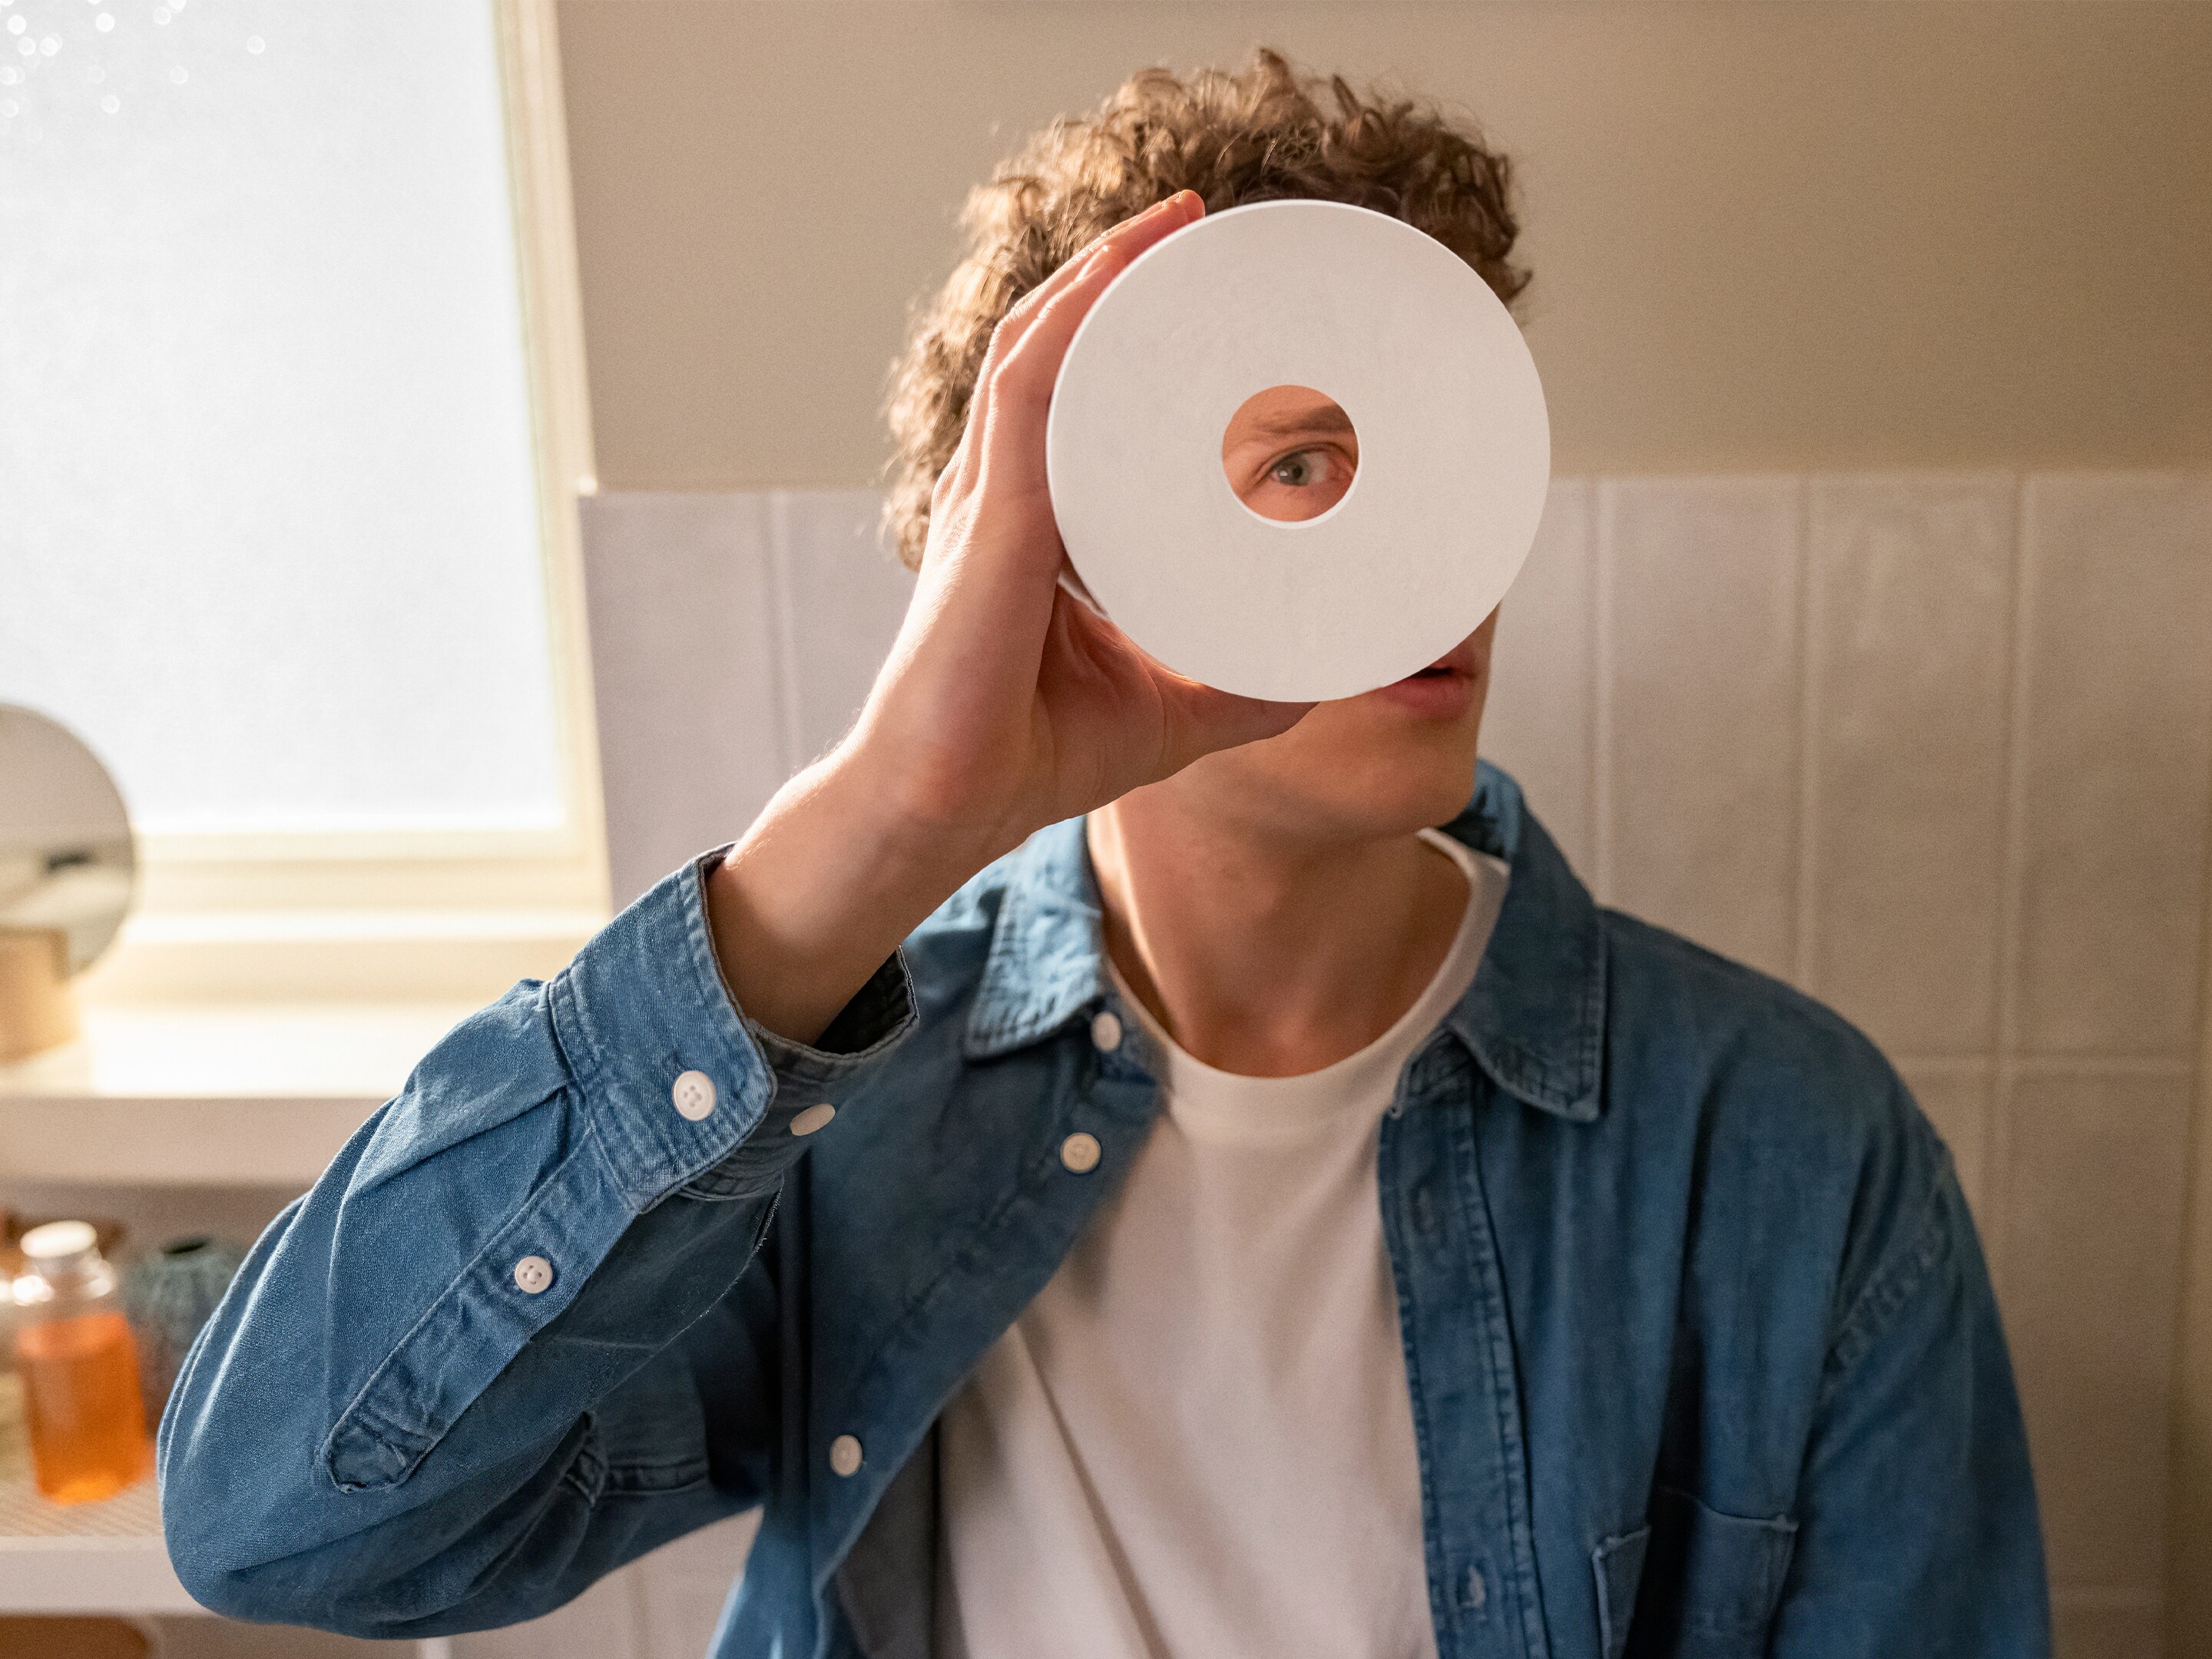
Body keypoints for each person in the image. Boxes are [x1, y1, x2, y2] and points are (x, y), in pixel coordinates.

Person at [158, 51, 2048, 1659]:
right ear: (1074, 562)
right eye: (1307, 463)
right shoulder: (843, 1119)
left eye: (1444, 449)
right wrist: (883, 818)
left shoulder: (1793, 1156)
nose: (1431, 552)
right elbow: (283, 1528)